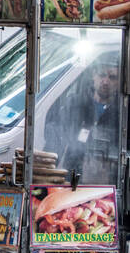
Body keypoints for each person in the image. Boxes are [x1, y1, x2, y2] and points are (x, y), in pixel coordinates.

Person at [45, 53, 120, 184]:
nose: (106, 81)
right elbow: (56, 139)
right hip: (73, 177)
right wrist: (47, 175)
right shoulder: (75, 103)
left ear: (119, 82)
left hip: (109, 181)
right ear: (93, 76)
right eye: (102, 75)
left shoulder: (122, 112)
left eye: (112, 77)